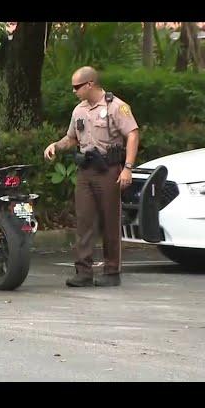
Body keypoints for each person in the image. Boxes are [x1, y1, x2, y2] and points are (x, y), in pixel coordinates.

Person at [44, 66, 139, 287]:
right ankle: (83, 272)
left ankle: (111, 271)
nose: (74, 91)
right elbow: (71, 138)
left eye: (76, 87)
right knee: (84, 221)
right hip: (86, 170)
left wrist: (128, 167)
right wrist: (56, 146)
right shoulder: (79, 110)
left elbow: (133, 134)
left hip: (109, 169)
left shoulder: (117, 107)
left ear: (90, 84)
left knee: (110, 221)